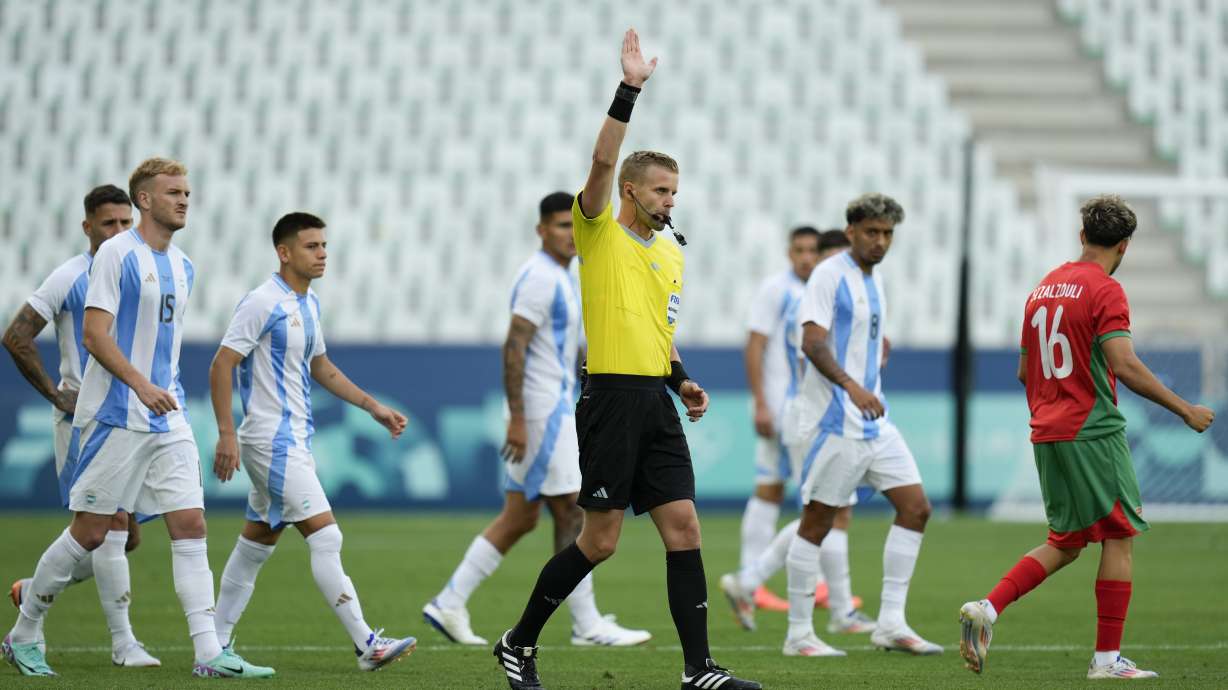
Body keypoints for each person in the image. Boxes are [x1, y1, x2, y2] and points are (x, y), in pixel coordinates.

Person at [491, 29, 761, 690]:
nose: (672, 200)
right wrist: (629, 90)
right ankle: (517, 642)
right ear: (634, 193)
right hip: (609, 397)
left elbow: (659, 331)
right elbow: (601, 162)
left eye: (676, 190)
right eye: (663, 190)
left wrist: (683, 379)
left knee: (685, 528)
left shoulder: (673, 254)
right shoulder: (599, 231)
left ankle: (699, 670)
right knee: (600, 541)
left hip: (655, 400)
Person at [1, 158, 272, 678]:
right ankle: (24, 632)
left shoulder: (184, 265)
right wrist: (141, 385)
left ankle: (208, 652)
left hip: (165, 417)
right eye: (173, 191)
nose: (184, 199)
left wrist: (160, 390)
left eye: (188, 192)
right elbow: (94, 336)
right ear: (144, 199)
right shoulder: (115, 257)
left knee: (191, 523)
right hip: (113, 416)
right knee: (91, 532)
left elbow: (161, 348)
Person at [959, 195, 1215, 680]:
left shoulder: (1044, 288)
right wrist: (1184, 409)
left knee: (1068, 540)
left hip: (1047, 431)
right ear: (1124, 245)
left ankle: (987, 609)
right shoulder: (1106, 290)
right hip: (1092, 430)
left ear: (1082, 237)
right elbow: (1124, 364)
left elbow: (1023, 371)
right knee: (1119, 535)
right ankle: (1106, 661)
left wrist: (1053, 403)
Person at [424, 192, 649, 648]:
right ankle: (585, 622)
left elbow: (562, 347)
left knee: (523, 517)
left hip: (553, 406)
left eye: (573, 225)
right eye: (560, 225)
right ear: (542, 230)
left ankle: (450, 601)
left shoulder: (563, 276)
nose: (569, 233)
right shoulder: (539, 279)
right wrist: (520, 418)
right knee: (573, 508)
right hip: (542, 412)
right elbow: (515, 346)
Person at [209, 212, 417, 672]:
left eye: (324, 246)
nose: (322, 254)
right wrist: (227, 432)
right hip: (271, 440)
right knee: (327, 535)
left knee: (256, 544)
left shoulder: (308, 304)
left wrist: (372, 406)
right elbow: (222, 364)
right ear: (284, 253)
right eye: (311, 246)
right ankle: (366, 643)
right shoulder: (262, 303)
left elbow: (321, 367)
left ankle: (213, 648)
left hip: (292, 439)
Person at [772, 194, 943, 658]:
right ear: (851, 232)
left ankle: (890, 622)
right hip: (835, 421)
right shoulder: (829, 275)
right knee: (818, 522)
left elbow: (859, 332)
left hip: (874, 420)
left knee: (916, 508)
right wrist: (851, 384)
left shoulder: (875, 277)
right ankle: (799, 634)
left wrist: (875, 346)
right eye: (872, 232)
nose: (880, 241)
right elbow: (813, 342)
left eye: (887, 234)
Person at [3, 185, 158, 668]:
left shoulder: (142, 269)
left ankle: (35, 589)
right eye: (107, 224)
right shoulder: (71, 276)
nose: (117, 232)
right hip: (87, 420)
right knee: (107, 529)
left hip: (131, 417)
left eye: (125, 223)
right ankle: (120, 642)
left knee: (125, 536)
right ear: (87, 227)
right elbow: (17, 335)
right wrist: (55, 392)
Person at [722, 229, 874, 645]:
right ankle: (768, 585)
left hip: (803, 412)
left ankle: (758, 582)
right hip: (813, 415)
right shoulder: (807, 302)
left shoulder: (810, 300)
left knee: (825, 509)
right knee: (826, 511)